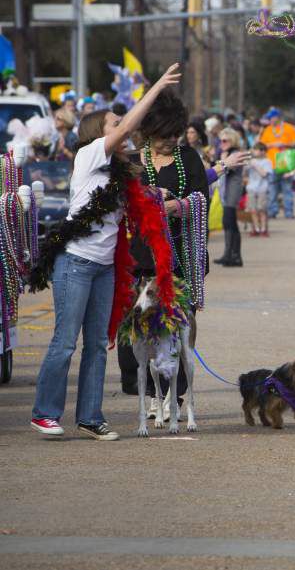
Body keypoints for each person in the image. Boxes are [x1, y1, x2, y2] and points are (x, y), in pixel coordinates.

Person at [30, 64, 182, 440]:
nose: (123, 127)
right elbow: (131, 126)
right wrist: (158, 86)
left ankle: (90, 417)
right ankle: (45, 413)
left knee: (98, 345)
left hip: (104, 269)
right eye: (115, 123)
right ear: (101, 134)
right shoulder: (88, 157)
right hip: (75, 263)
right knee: (65, 342)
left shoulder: (121, 174)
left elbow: (144, 208)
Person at [116, 86, 214, 412]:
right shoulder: (131, 161)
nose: (172, 140)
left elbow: (202, 198)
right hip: (139, 257)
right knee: (142, 325)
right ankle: (148, 390)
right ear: (147, 132)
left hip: (182, 257)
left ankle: (176, 393)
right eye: (164, 135)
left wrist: (175, 206)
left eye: (176, 133)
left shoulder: (189, 159)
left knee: (180, 324)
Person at [259, 108, 295, 219]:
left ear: (277, 117)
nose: (270, 119)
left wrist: (284, 144)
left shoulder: (289, 128)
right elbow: (261, 145)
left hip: (286, 164)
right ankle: (272, 211)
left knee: (287, 188)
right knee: (272, 190)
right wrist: (272, 145)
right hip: (271, 164)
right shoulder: (267, 130)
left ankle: (289, 212)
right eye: (269, 118)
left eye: (271, 117)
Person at [216, 127, 246, 267]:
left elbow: (229, 168)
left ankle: (234, 255)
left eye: (224, 140)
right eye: (220, 140)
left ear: (232, 140)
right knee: (229, 222)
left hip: (233, 190)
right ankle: (230, 254)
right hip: (226, 190)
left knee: (229, 221)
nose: (221, 143)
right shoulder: (226, 153)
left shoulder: (236, 153)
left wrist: (222, 161)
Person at [246, 142, 272, 237]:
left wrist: (255, 165)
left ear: (262, 151)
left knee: (262, 209)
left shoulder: (267, 162)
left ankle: (263, 229)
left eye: (256, 150)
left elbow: (265, 174)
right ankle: (255, 228)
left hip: (262, 189)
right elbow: (244, 172)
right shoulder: (251, 161)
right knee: (252, 210)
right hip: (251, 188)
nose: (254, 151)